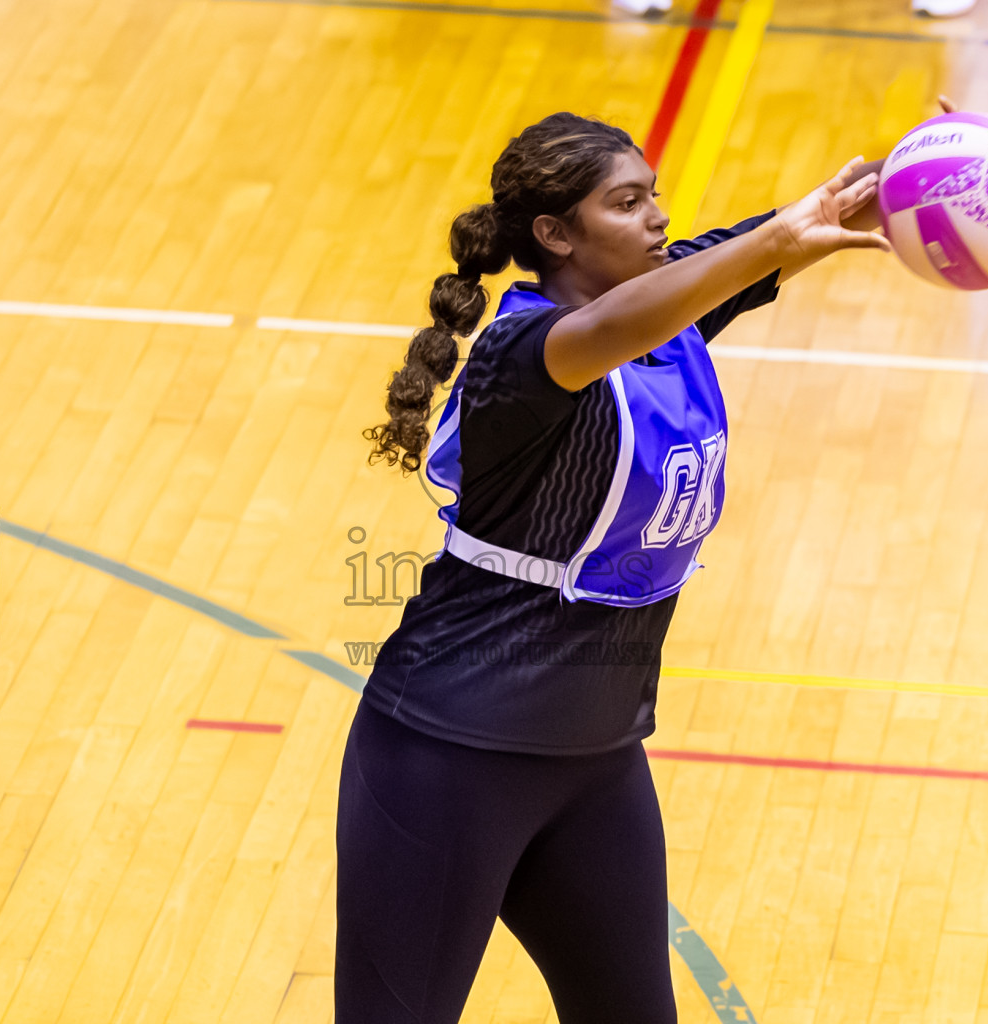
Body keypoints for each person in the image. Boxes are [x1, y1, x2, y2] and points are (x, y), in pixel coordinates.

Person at [342, 112, 887, 1022]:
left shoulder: (664, 303)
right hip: (449, 757)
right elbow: (642, 313)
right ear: (553, 235)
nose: (654, 219)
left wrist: (912, 173)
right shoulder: (523, 356)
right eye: (625, 202)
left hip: (594, 763)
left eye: (655, 197)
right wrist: (772, 242)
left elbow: (745, 256)